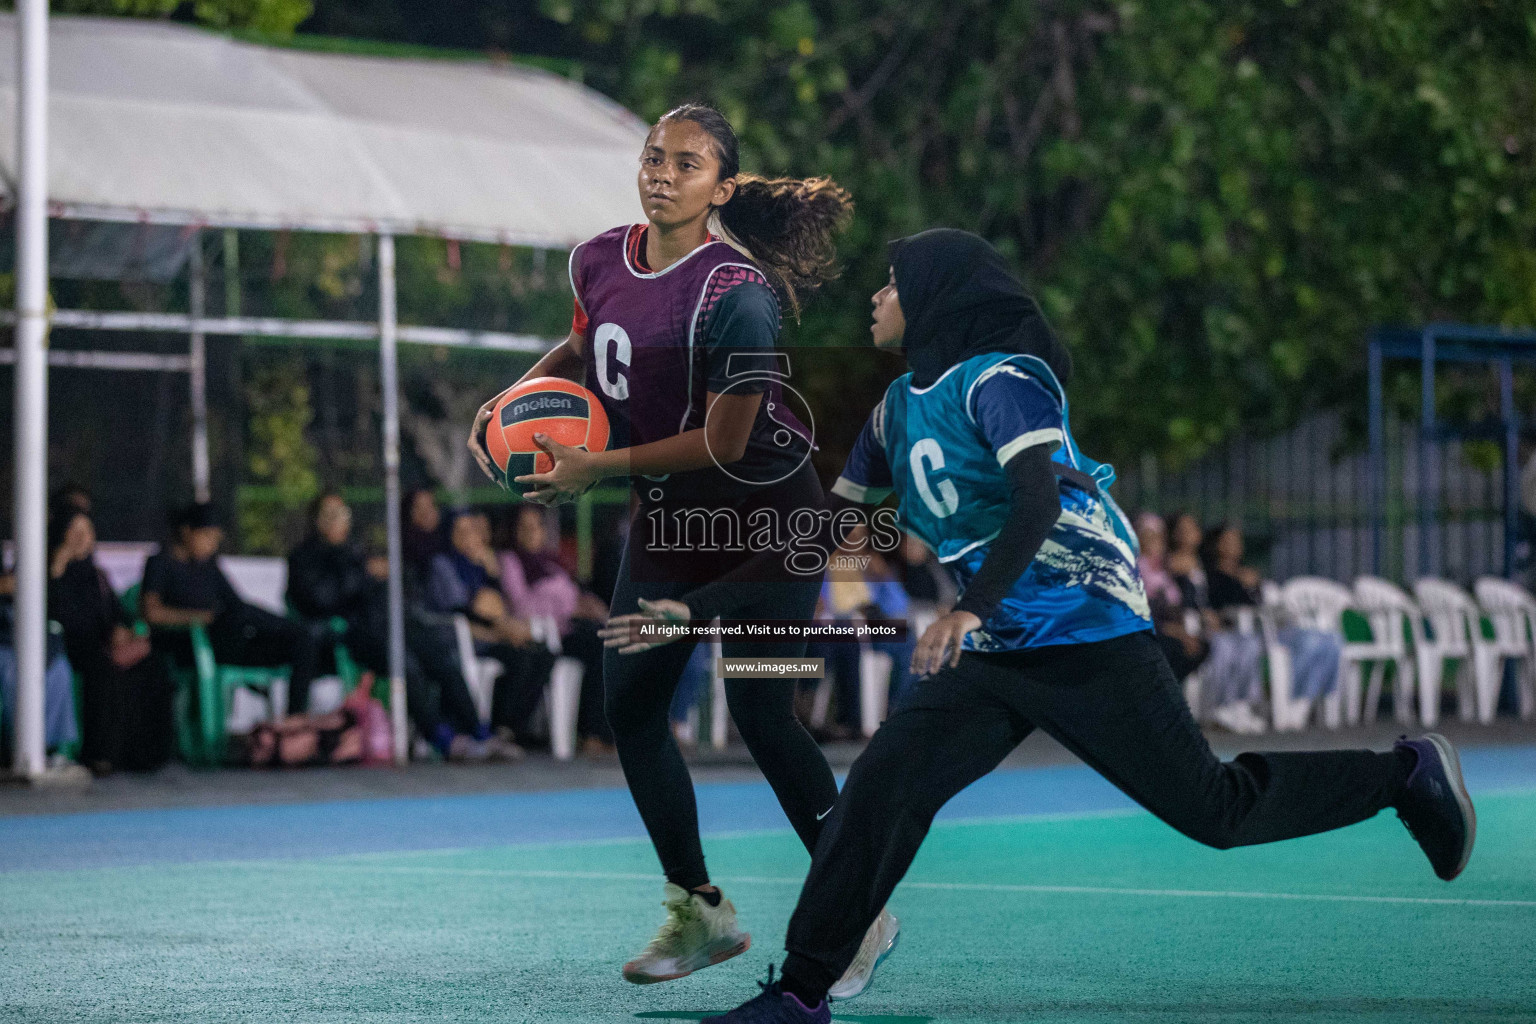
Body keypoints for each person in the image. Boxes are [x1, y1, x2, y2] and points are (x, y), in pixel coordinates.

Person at [614, 229, 1475, 1024]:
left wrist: (968, 607)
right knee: (882, 788)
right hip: (992, 648)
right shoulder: (890, 415)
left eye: (892, 284)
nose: (876, 297)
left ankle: (1403, 774)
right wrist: (694, 608)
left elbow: (1037, 497)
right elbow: (810, 540)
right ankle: (800, 997)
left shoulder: (1003, 380)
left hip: (1083, 628)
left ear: (936, 298)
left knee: (1212, 810)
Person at [468, 103, 865, 987]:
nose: (660, 172)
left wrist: (596, 467)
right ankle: (701, 913)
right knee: (633, 708)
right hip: (667, 520)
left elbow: (726, 444)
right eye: (653, 156)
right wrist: (508, 407)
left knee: (763, 712)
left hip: (760, 520)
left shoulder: (739, 297)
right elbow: (579, 351)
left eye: (686, 165)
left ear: (721, 189)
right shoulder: (599, 259)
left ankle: (860, 907)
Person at [286, 492, 513, 762]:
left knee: (439, 654)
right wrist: (363, 575)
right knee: (405, 664)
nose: (338, 522)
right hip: (351, 636)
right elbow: (321, 600)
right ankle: (443, 738)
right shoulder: (304, 557)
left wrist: (382, 575)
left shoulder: (357, 551)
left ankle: (478, 730)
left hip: (389, 627)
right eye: (330, 515)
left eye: (342, 514)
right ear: (317, 521)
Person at [140, 502, 324, 716]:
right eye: (207, 537)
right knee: (240, 616)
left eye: (216, 539)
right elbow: (151, 612)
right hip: (187, 644)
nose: (212, 545)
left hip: (224, 640)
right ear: (187, 531)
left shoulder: (208, 566)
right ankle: (294, 628)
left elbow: (235, 604)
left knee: (301, 642)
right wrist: (202, 618)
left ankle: (294, 718)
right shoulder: (160, 563)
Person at [46, 505, 172, 774]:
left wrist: (124, 631)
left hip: (103, 645)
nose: (82, 538)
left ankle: (144, 754)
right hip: (67, 646)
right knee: (102, 670)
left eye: (87, 531)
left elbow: (118, 614)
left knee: (153, 667)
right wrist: (56, 566)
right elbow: (50, 611)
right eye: (74, 531)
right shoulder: (47, 571)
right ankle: (100, 755)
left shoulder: (97, 576)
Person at [426, 510, 552, 750]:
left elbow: (502, 605)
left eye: (471, 531)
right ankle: (498, 727)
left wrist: (493, 573)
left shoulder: (483, 565)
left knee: (543, 653)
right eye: (460, 531)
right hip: (466, 640)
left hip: (495, 634)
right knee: (520, 657)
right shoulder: (444, 565)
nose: (468, 537)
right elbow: (462, 610)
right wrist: (500, 630)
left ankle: (510, 728)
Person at [498, 503, 613, 755]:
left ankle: (604, 731)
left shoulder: (552, 563)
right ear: (514, 531)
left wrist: (585, 605)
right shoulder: (511, 561)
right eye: (525, 527)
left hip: (569, 628)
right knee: (598, 646)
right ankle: (590, 733)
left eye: (536, 526)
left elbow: (572, 596)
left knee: (610, 644)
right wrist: (566, 606)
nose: (532, 532)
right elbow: (522, 607)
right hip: (546, 637)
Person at [1202, 522, 1342, 705]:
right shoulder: (1210, 576)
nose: (1235, 545)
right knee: (1305, 643)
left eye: (1237, 541)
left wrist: (1253, 585)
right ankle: (1293, 701)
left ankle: (1307, 699)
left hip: (1271, 628)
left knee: (1327, 640)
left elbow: (1265, 603)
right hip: (1244, 632)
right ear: (1216, 545)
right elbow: (1221, 608)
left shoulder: (1248, 574)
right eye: (1229, 540)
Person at [1166, 512, 1269, 734]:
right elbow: (1183, 601)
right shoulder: (1172, 564)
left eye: (1192, 529)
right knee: (1223, 646)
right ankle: (1221, 705)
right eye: (1183, 529)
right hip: (1193, 628)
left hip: (1215, 626)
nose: (1189, 534)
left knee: (1249, 643)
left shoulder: (1200, 564)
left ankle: (1241, 704)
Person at [1134, 511, 1209, 683]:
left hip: (1170, 629)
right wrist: (1180, 634)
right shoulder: (1135, 569)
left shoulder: (1163, 570)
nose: (1155, 542)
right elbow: (1149, 615)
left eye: (1159, 536)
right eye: (1148, 536)